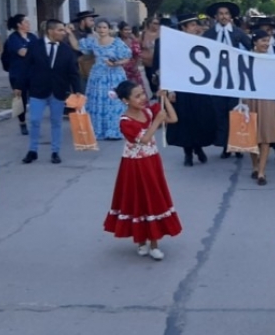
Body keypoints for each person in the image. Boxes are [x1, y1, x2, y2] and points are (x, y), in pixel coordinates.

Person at [103, 81, 181, 261]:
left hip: (151, 162)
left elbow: (173, 118)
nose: (142, 98)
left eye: (142, 94)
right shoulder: (125, 122)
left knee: (153, 199)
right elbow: (144, 139)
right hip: (134, 166)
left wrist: (164, 99)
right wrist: (157, 121)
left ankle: (154, 244)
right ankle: (141, 241)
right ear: (125, 100)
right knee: (138, 200)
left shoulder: (147, 111)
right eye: (137, 96)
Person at [20, 19, 83, 164]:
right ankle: (32, 150)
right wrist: (20, 86)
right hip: (38, 90)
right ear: (50, 31)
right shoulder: (35, 46)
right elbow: (26, 67)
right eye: (60, 30)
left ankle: (55, 151)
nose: (63, 33)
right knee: (35, 120)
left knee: (56, 122)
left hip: (59, 91)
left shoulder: (66, 50)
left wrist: (77, 90)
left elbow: (73, 72)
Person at [164, 14, 217, 166]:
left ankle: (198, 147)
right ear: (183, 28)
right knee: (185, 121)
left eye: (196, 25)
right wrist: (171, 90)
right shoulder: (175, 45)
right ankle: (188, 153)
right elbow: (171, 68)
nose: (196, 28)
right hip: (182, 88)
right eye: (192, 25)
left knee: (200, 119)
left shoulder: (202, 43)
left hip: (199, 88)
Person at [202, 1, 252, 159]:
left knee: (235, 111)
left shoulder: (238, 33)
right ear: (216, 17)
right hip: (216, 79)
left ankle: (237, 145)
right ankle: (225, 145)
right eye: (221, 14)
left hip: (235, 78)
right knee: (220, 112)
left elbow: (250, 49)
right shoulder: (209, 34)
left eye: (226, 14)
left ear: (231, 16)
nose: (223, 16)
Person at [72, 18, 132, 140]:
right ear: (96, 29)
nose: (102, 30)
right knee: (98, 102)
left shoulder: (117, 42)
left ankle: (114, 130)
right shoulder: (93, 42)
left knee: (114, 102)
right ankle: (98, 129)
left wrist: (115, 63)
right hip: (97, 75)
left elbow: (127, 57)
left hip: (114, 75)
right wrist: (69, 33)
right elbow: (77, 46)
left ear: (109, 29)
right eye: (99, 27)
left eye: (104, 27)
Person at [244, 30, 275, 185]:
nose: (266, 44)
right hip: (250, 100)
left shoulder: (274, 61)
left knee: (266, 136)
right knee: (252, 136)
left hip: (268, 100)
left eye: (268, 41)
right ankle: (255, 166)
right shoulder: (245, 58)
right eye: (263, 41)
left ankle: (261, 172)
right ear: (255, 42)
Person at [4, 14, 38, 135]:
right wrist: (35, 51)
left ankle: (35, 122)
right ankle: (22, 122)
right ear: (19, 25)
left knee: (35, 98)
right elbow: (23, 53)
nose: (29, 25)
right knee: (20, 99)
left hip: (33, 72)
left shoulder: (32, 37)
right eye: (26, 22)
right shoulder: (13, 39)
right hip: (18, 73)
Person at [117, 21, 143, 86]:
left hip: (133, 70)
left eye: (129, 29)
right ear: (120, 31)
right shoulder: (116, 42)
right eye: (125, 29)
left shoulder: (134, 42)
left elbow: (138, 56)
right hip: (120, 69)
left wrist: (136, 66)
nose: (128, 31)